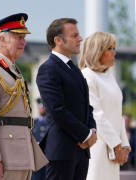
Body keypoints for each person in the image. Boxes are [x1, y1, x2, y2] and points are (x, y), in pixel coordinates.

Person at [0, 13, 48, 180]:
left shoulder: (12, 70)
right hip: (6, 156)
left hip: (22, 152)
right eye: (18, 37)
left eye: (24, 37)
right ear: (1, 39)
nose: (23, 42)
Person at [36, 18, 97, 180]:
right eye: (74, 35)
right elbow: (57, 110)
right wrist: (85, 134)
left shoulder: (74, 69)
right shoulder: (48, 69)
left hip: (81, 152)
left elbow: (86, 106)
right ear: (58, 40)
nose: (80, 39)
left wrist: (92, 131)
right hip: (62, 152)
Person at [79, 31, 130, 180]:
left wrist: (124, 145)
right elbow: (97, 115)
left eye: (115, 48)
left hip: (115, 148)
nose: (114, 53)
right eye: (110, 48)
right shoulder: (87, 75)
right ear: (98, 51)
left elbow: (116, 113)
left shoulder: (109, 76)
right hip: (99, 146)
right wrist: (116, 145)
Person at [31, 98, 49, 180]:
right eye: (40, 106)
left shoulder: (52, 122)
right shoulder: (33, 123)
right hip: (36, 158)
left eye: (43, 106)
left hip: (49, 157)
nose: (42, 108)